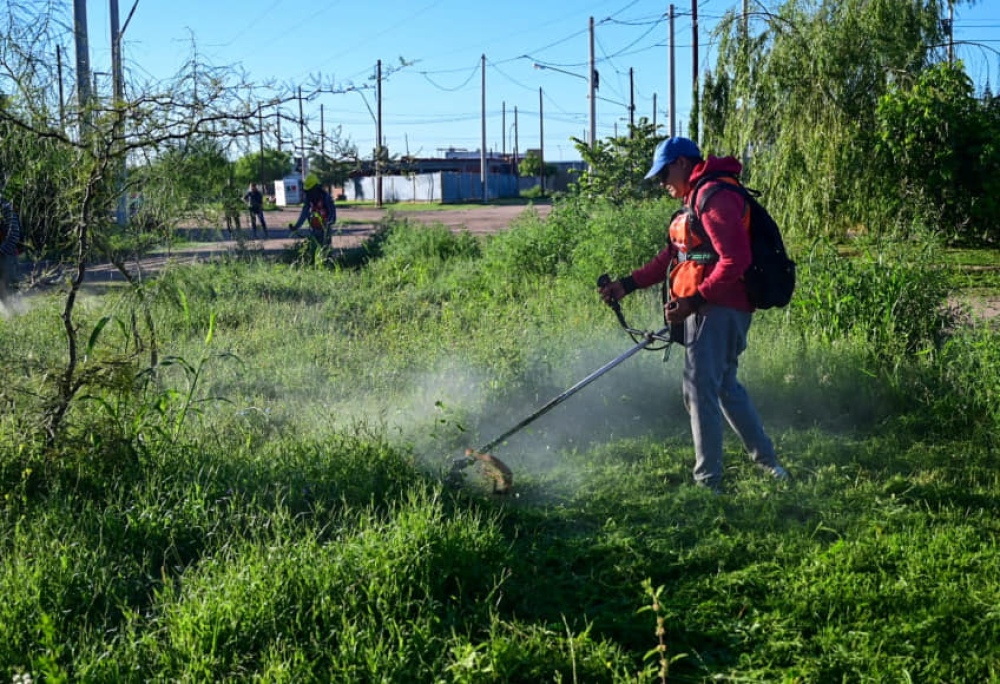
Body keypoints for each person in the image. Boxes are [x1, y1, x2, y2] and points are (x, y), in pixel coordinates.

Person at [598, 136, 788, 492]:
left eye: (664, 173)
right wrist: (626, 284)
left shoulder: (714, 197)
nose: (661, 182)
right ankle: (769, 464)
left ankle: (708, 482)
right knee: (725, 388)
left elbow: (736, 260)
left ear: (683, 163)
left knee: (699, 388)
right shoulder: (695, 199)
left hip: (719, 309)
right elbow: (673, 258)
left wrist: (694, 301)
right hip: (711, 308)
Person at [288, 173, 336, 247]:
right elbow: (304, 214)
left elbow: (333, 215)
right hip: (314, 230)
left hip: (325, 231)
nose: (309, 193)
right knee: (314, 250)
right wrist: (296, 227)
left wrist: (326, 225)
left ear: (316, 187)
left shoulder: (326, 197)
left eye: (310, 190)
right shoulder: (309, 199)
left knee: (325, 252)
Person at [0, 191, 21, 306]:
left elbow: (14, 232)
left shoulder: (4, 205)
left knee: (11, 293)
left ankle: (19, 318)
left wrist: (2, 251)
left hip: (6, 255)